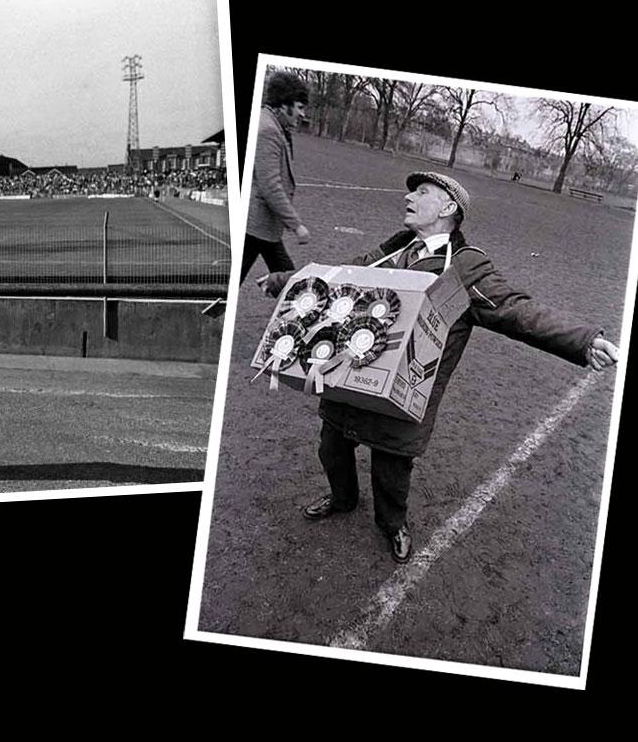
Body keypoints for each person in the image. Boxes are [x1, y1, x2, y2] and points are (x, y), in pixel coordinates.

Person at [260, 172, 621, 563]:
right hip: (351, 379)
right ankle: (343, 499)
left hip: (405, 396)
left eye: (421, 192)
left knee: (391, 472)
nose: (408, 196)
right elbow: (332, 280)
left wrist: (583, 340)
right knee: (331, 449)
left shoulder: (464, 268)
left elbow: (517, 310)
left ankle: (392, 525)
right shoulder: (389, 253)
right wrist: (282, 280)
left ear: (448, 208)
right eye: (411, 189)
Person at [241, 71, 312, 286]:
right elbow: (270, 186)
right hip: (255, 225)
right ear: (284, 105)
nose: (302, 114)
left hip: (263, 226)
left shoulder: (273, 125)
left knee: (290, 281)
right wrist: (297, 225)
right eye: (299, 107)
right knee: (292, 283)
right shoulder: (267, 130)